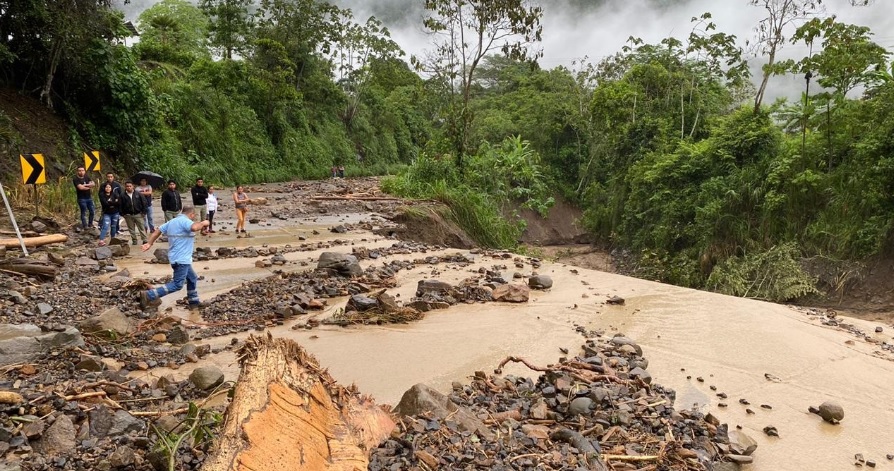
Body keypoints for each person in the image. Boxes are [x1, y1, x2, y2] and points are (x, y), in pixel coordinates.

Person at [139, 205, 210, 310]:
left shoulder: (172, 222)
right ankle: (149, 295)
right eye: (194, 216)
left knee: (192, 278)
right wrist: (204, 223)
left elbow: (158, 231)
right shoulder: (185, 221)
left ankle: (194, 302)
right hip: (181, 259)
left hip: (177, 257)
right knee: (177, 284)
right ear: (192, 214)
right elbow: (194, 227)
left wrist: (149, 243)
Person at [120, 180, 148, 246]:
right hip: (128, 215)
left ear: (133, 186)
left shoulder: (138, 194)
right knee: (131, 229)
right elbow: (120, 205)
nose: (129, 187)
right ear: (125, 187)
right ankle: (134, 240)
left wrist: (144, 212)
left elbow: (144, 203)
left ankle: (144, 240)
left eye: (130, 186)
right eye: (127, 186)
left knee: (141, 228)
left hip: (138, 214)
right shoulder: (122, 195)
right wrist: (122, 214)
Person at [72, 166, 96, 231]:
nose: (81, 172)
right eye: (80, 170)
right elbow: (80, 188)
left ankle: (90, 224)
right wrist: (89, 186)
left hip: (89, 197)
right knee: (84, 212)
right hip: (81, 198)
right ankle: (85, 226)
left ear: (84, 171)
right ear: (77, 171)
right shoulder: (75, 179)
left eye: (82, 170)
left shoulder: (86, 177)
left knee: (92, 211)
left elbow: (93, 184)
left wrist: (85, 185)